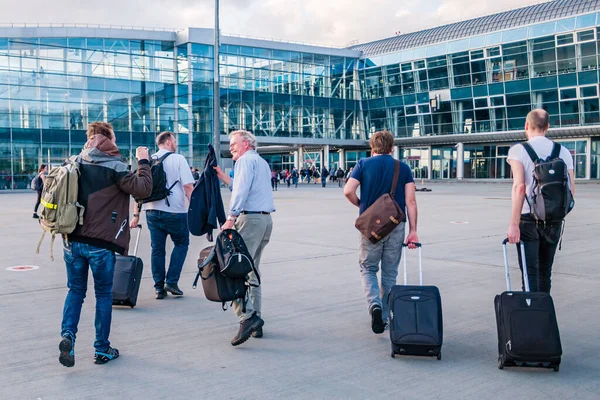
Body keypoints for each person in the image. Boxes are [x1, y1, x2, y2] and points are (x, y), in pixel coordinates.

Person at [59, 122, 152, 367]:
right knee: (102, 296)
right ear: (108, 139)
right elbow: (143, 189)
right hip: (101, 243)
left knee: (75, 291)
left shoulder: (74, 162)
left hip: (72, 240)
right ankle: (102, 349)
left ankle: (68, 335)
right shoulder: (115, 166)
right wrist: (144, 162)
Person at [343, 130, 419, 334]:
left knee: (368, 267)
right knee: (390, 272)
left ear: (372, 147)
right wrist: (413, 231)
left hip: (371, 225)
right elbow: (410, 201)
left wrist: (361, 206)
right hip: (396, 224)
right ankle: (385, 316)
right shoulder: (402, 167)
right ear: (391, 148)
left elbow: (348, 191)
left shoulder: (362, 164)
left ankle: (374, 305)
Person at [214, 130, 275, 346]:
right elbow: (245, 187)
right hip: (264, 222)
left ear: (246, 144)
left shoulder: (244, 162)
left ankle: (247, 318)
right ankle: (256, 319)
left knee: (234, 270)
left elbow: (241, 192)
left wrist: (231, 217)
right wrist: (223, 177)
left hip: (249, 221)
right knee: (252, 270)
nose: (230, 147)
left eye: (233, 143)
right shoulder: (259, 162)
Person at [506, 109, 575, 293]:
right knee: (545, 272)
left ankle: (531, 315)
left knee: (530, 273)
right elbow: (571, 191)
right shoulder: (564, 152)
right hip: (554, 220)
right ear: (548, 127)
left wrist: (513, 224)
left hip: (528, 220)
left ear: (526, 125)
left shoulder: (518, 150)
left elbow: (519, 187)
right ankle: (544, 315)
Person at [131, 131, 195, 299]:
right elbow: (188, 186)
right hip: (175, 210)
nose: (175, 143)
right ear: (167, 142)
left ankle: (159, 288)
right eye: (174, 140)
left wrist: (136, 215)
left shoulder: (147, 160)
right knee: (181, 244)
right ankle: (172, 282)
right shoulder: (178, 159)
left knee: (157, 250)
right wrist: (195, 209)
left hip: (151, 210)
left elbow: (138, 189)